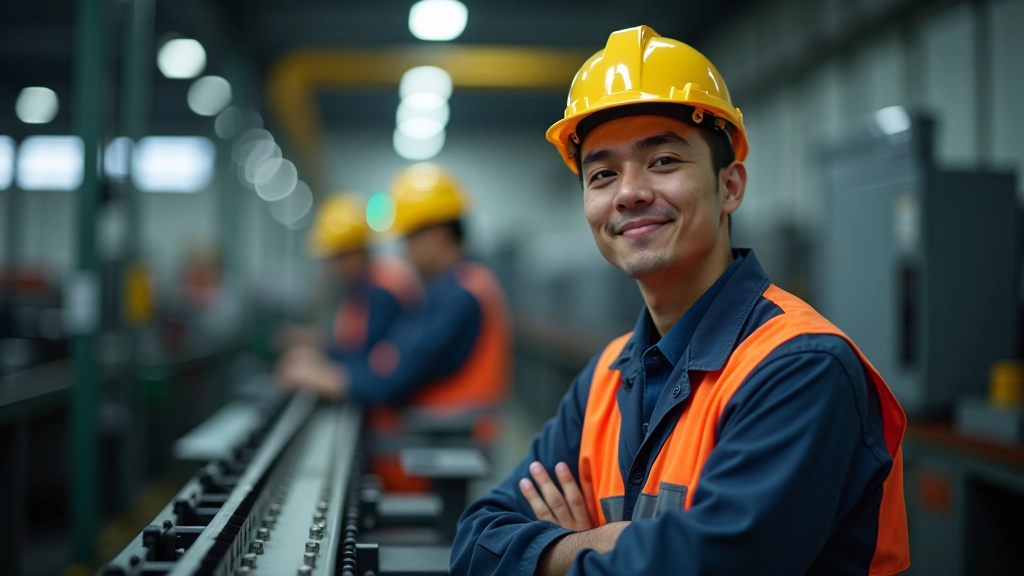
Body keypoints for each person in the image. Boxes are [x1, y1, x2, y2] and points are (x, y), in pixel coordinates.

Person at [451, 25, 910, 576]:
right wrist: (590, 545)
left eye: (664, 161)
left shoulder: (800, 368)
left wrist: (558, 551)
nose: (629, 192)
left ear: (731, 186)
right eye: (601, 174)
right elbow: (475, 541)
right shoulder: (606, 376)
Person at [278, 164, 512, 488]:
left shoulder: (461, 295)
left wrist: (327, 379)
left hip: (439, 445)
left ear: (436, 233)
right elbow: (394, 359)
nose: (404, 250)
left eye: (408, 237)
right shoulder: (453, 286)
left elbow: (393, 378)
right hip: (433, 439)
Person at [276, 192, 421, 395]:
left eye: (339, 257)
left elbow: (379, 370)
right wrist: (319, 352)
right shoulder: (358, 289)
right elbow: (352, 345)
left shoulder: (383, 294)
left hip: (385, 418)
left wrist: (322, 376)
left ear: (358, 251)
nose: (333, 267)